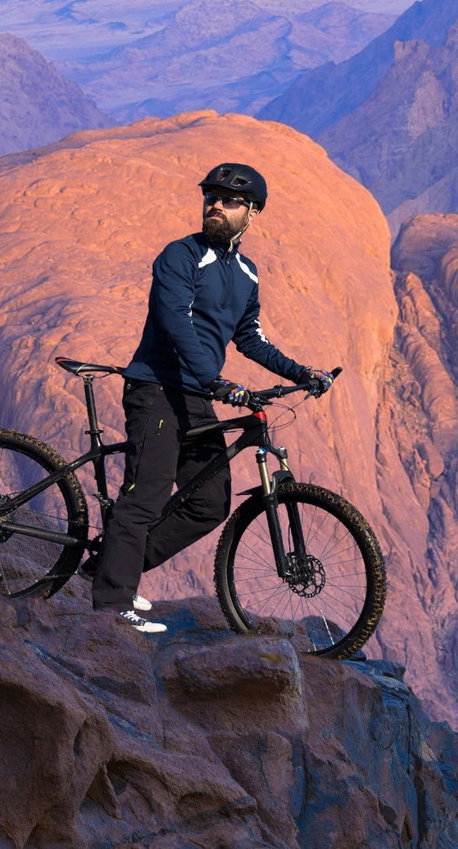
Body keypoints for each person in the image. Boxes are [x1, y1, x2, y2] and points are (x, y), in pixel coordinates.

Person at [89, 162, 335, 632]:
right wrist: (217, 381)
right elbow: (175, 324)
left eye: (229, 200)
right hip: (158, 390)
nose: (216, 205)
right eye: (211, 198)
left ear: (252, 212)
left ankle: (110, 569)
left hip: (197, 396)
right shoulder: (179, 256)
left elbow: (250, 337)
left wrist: (302, 372)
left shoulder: (246, 272)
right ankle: (111, 604)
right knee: (145, 497)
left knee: (208, 504)